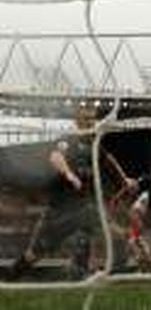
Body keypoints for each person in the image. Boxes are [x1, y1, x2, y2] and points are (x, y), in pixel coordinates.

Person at [9, 105, 136, 280]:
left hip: (83, 205)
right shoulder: (69, 140)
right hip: (59, 209)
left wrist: (124, 178)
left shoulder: (95, 144)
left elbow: (109, 161)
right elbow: (55, 157)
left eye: (92, 118)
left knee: (91, 232)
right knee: (35, 253)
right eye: (85, 118)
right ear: (77, 121)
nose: (89, 121)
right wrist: (69, 174)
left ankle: (84, 276)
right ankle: (11, 278)